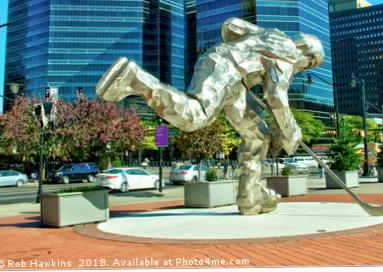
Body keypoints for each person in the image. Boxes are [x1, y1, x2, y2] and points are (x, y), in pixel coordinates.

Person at [96, 17, 324, 215]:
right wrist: (290, 131)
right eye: (310, 63)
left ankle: (250, 195)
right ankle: (136, 79)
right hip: (226, 70)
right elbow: (275, 96)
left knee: (258, 135)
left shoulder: (271, 34)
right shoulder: (290, 56)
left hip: (232, 78)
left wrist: (251, 56)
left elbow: (231, 26)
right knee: (195, 116)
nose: (305, 68)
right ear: (306, 53)